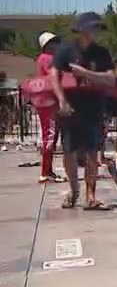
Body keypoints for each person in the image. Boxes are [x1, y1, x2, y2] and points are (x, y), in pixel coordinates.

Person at [50, 12, 116, 211]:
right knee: (68, 151)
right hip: (70, 108)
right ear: (82, 29)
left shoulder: (102, 53)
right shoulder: (65, 51)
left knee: (91, 153)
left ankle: (91, 195)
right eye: (93, 28)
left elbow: (111, 79)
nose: (96, 32)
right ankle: (74, 190)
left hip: (93, 108)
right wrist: (61, 101)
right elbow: (54, 75)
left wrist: (85, 73)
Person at [34, 31, 64, 183]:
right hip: (49, 102)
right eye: (52, 43)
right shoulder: (48, 59)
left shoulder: (43, 59)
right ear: (46, 46)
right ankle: (45, 172)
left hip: (46, 101)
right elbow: (54, 77)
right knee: (50, 136)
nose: (56, 45)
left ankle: (48, 171)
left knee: (51, 135)